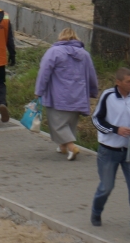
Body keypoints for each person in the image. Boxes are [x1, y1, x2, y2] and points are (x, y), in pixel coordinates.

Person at [90, 68, 130, 237]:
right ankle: (96, 210)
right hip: (108, 151)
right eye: (128, 81)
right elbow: (96, 119)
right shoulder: (108, 96)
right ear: (118, 82)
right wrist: (115, 130)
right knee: (106, 187)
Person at [34, 28, 99, 161]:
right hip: (78, 95)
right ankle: (62, 147)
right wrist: (93, 91)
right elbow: (91, 74)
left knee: (57, 124)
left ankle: (71, 147)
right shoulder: (84, 54)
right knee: (70, 124)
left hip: (58, 95)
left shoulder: (54, 52)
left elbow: (44, 72)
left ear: (61, 38)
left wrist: (39, 91)